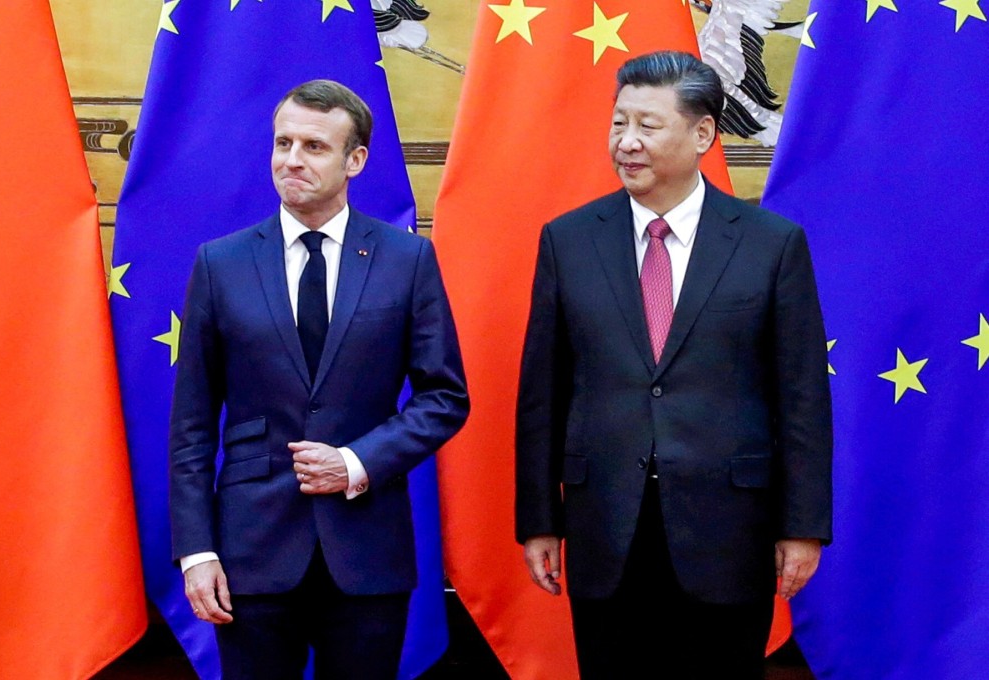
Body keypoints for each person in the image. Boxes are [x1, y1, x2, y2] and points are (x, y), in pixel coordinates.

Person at [515, 51, 832, 679]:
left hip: (730, 531)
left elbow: (800, 399)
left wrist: (803, 528)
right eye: (618, 123)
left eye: (648, 126)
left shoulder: (771, 244)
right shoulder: (568, 240)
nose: (627, 142)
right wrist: (538, 521)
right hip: (605, 522)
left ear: (703, 134)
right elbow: (542, 393)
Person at [169, 79, 469, 680]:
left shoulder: (405, 259)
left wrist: (357, 463)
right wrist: (197, 552)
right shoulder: (220, 263)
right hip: (248, 553)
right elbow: (192, 426)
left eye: (314, 146)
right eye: (283, 143)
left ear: (355, 159)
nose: (292, 160)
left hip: (366, 549)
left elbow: (445, 397)